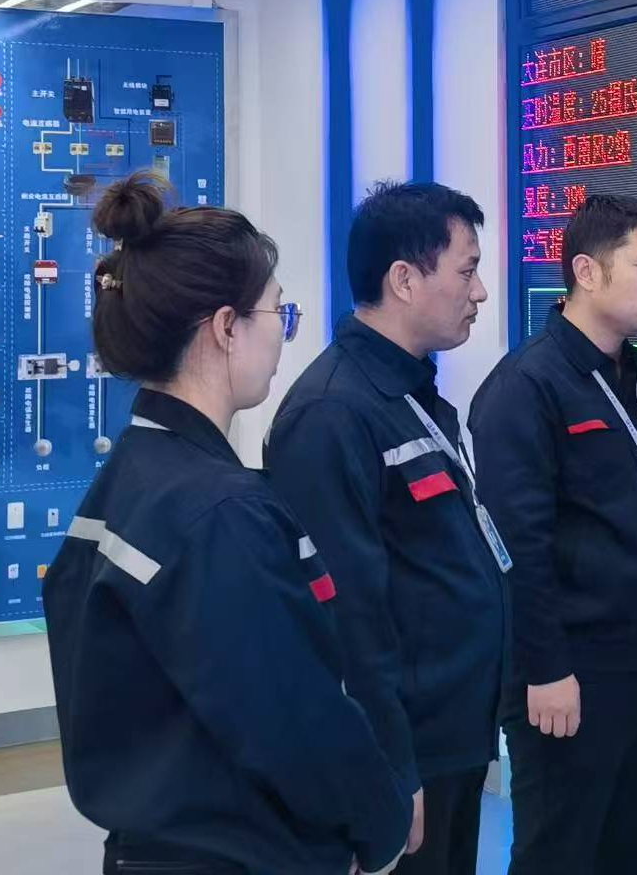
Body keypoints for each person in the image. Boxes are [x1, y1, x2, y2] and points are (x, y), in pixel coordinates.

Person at [42, 174, 410, 875]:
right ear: (225, 328)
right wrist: (380, 825)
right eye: (279, 311)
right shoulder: (219, 512)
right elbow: (295, 718)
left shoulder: (133, 477)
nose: (284, 333)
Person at [266, 182, 508, 875]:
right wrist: (391, 768)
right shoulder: (333, 413)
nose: (480, 292)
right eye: (466, 270)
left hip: (454, 738)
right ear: (404, 279)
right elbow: (346, 618)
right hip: (407, 750)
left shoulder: (412, 395)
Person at [469, 195, 637, 875]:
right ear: (587, 271)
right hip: (570, 670)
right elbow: (517, 547)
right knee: (560, 852)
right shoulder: (526, 387)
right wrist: (545, 669)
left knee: (632, 843)